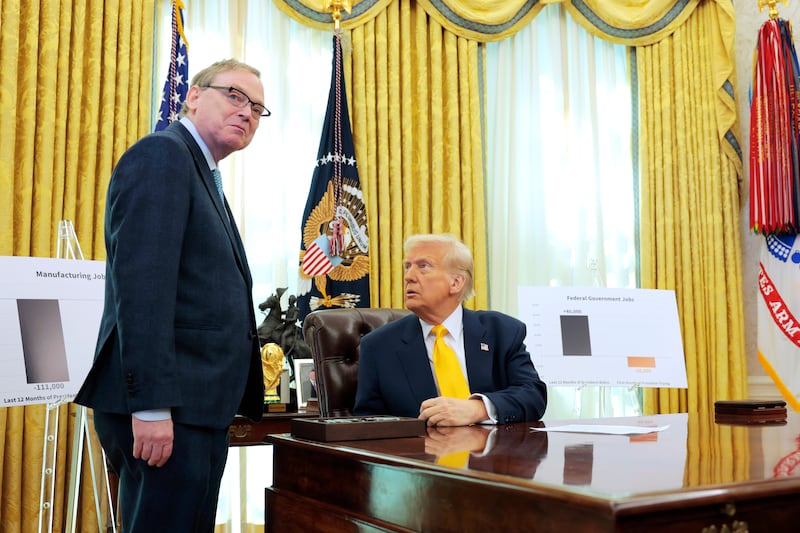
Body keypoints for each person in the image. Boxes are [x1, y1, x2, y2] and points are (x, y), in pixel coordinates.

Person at [74, 59, 268, 532]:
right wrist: (152, 406)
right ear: (195, 97)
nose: (247, 112)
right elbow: (142, 288)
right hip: (168, 411)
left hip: (194, 408)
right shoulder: (163, 156)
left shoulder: (199, 170)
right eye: (235, 96)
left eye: (258, 108)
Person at [353, 233, 547, 426]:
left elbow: (533, 395)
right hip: (420, 454)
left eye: (423, 266)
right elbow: (368, 424)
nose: (409, 277)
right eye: (407, 266)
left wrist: (478, 409)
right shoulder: (379, 346)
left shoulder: (501, 331)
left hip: (494, 452)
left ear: (456, 282)